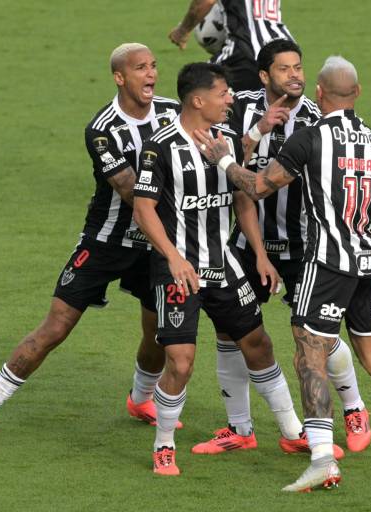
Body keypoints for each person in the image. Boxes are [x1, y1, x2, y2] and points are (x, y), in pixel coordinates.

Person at [193, 56, 371, 491]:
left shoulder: (310, 140)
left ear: (319, 93)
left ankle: (321, 459)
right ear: (358, 93)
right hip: (365, 265)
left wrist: (222, 159)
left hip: (325, 264)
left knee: (309, 358)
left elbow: (256, 187)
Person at [0, 43, 181, 446]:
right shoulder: (103, 129)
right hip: (106, 241)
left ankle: (141, 399)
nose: (151, 75)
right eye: (140, 68)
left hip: (154, 243)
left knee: (158, 331)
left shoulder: (172, 112)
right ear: (119, 77)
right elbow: (129, 191)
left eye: (154, 66)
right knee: (54, 328)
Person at [133, 62, 316, 476]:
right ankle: (164, 446)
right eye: (223, 93)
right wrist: (173, 257)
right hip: (177, 269)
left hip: (224, 264)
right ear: (198, 100)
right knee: (180, 361)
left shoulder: (227, 139)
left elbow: (242, 197)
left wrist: (259, 253)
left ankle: (291, 431)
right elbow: (144, 210)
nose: (231, 98)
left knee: (259, 345)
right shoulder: (158, 146)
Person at [194, 39, 371, 455]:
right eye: (284, 69)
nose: (295, 75)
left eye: (299, 67)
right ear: (263, 76)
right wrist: (257, 132)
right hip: (247, 241)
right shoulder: (237, 110)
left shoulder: (317, 116)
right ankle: (239, 428)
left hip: (306, 245)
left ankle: (355, 407)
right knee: (230, 329)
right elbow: (226, 172)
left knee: (318, 336)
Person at [169, 0, 295, 91]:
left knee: (196, 87)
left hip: (246, 50)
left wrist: (182, 30)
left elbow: (206, 2)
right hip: (287, 50)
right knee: (279, 115)